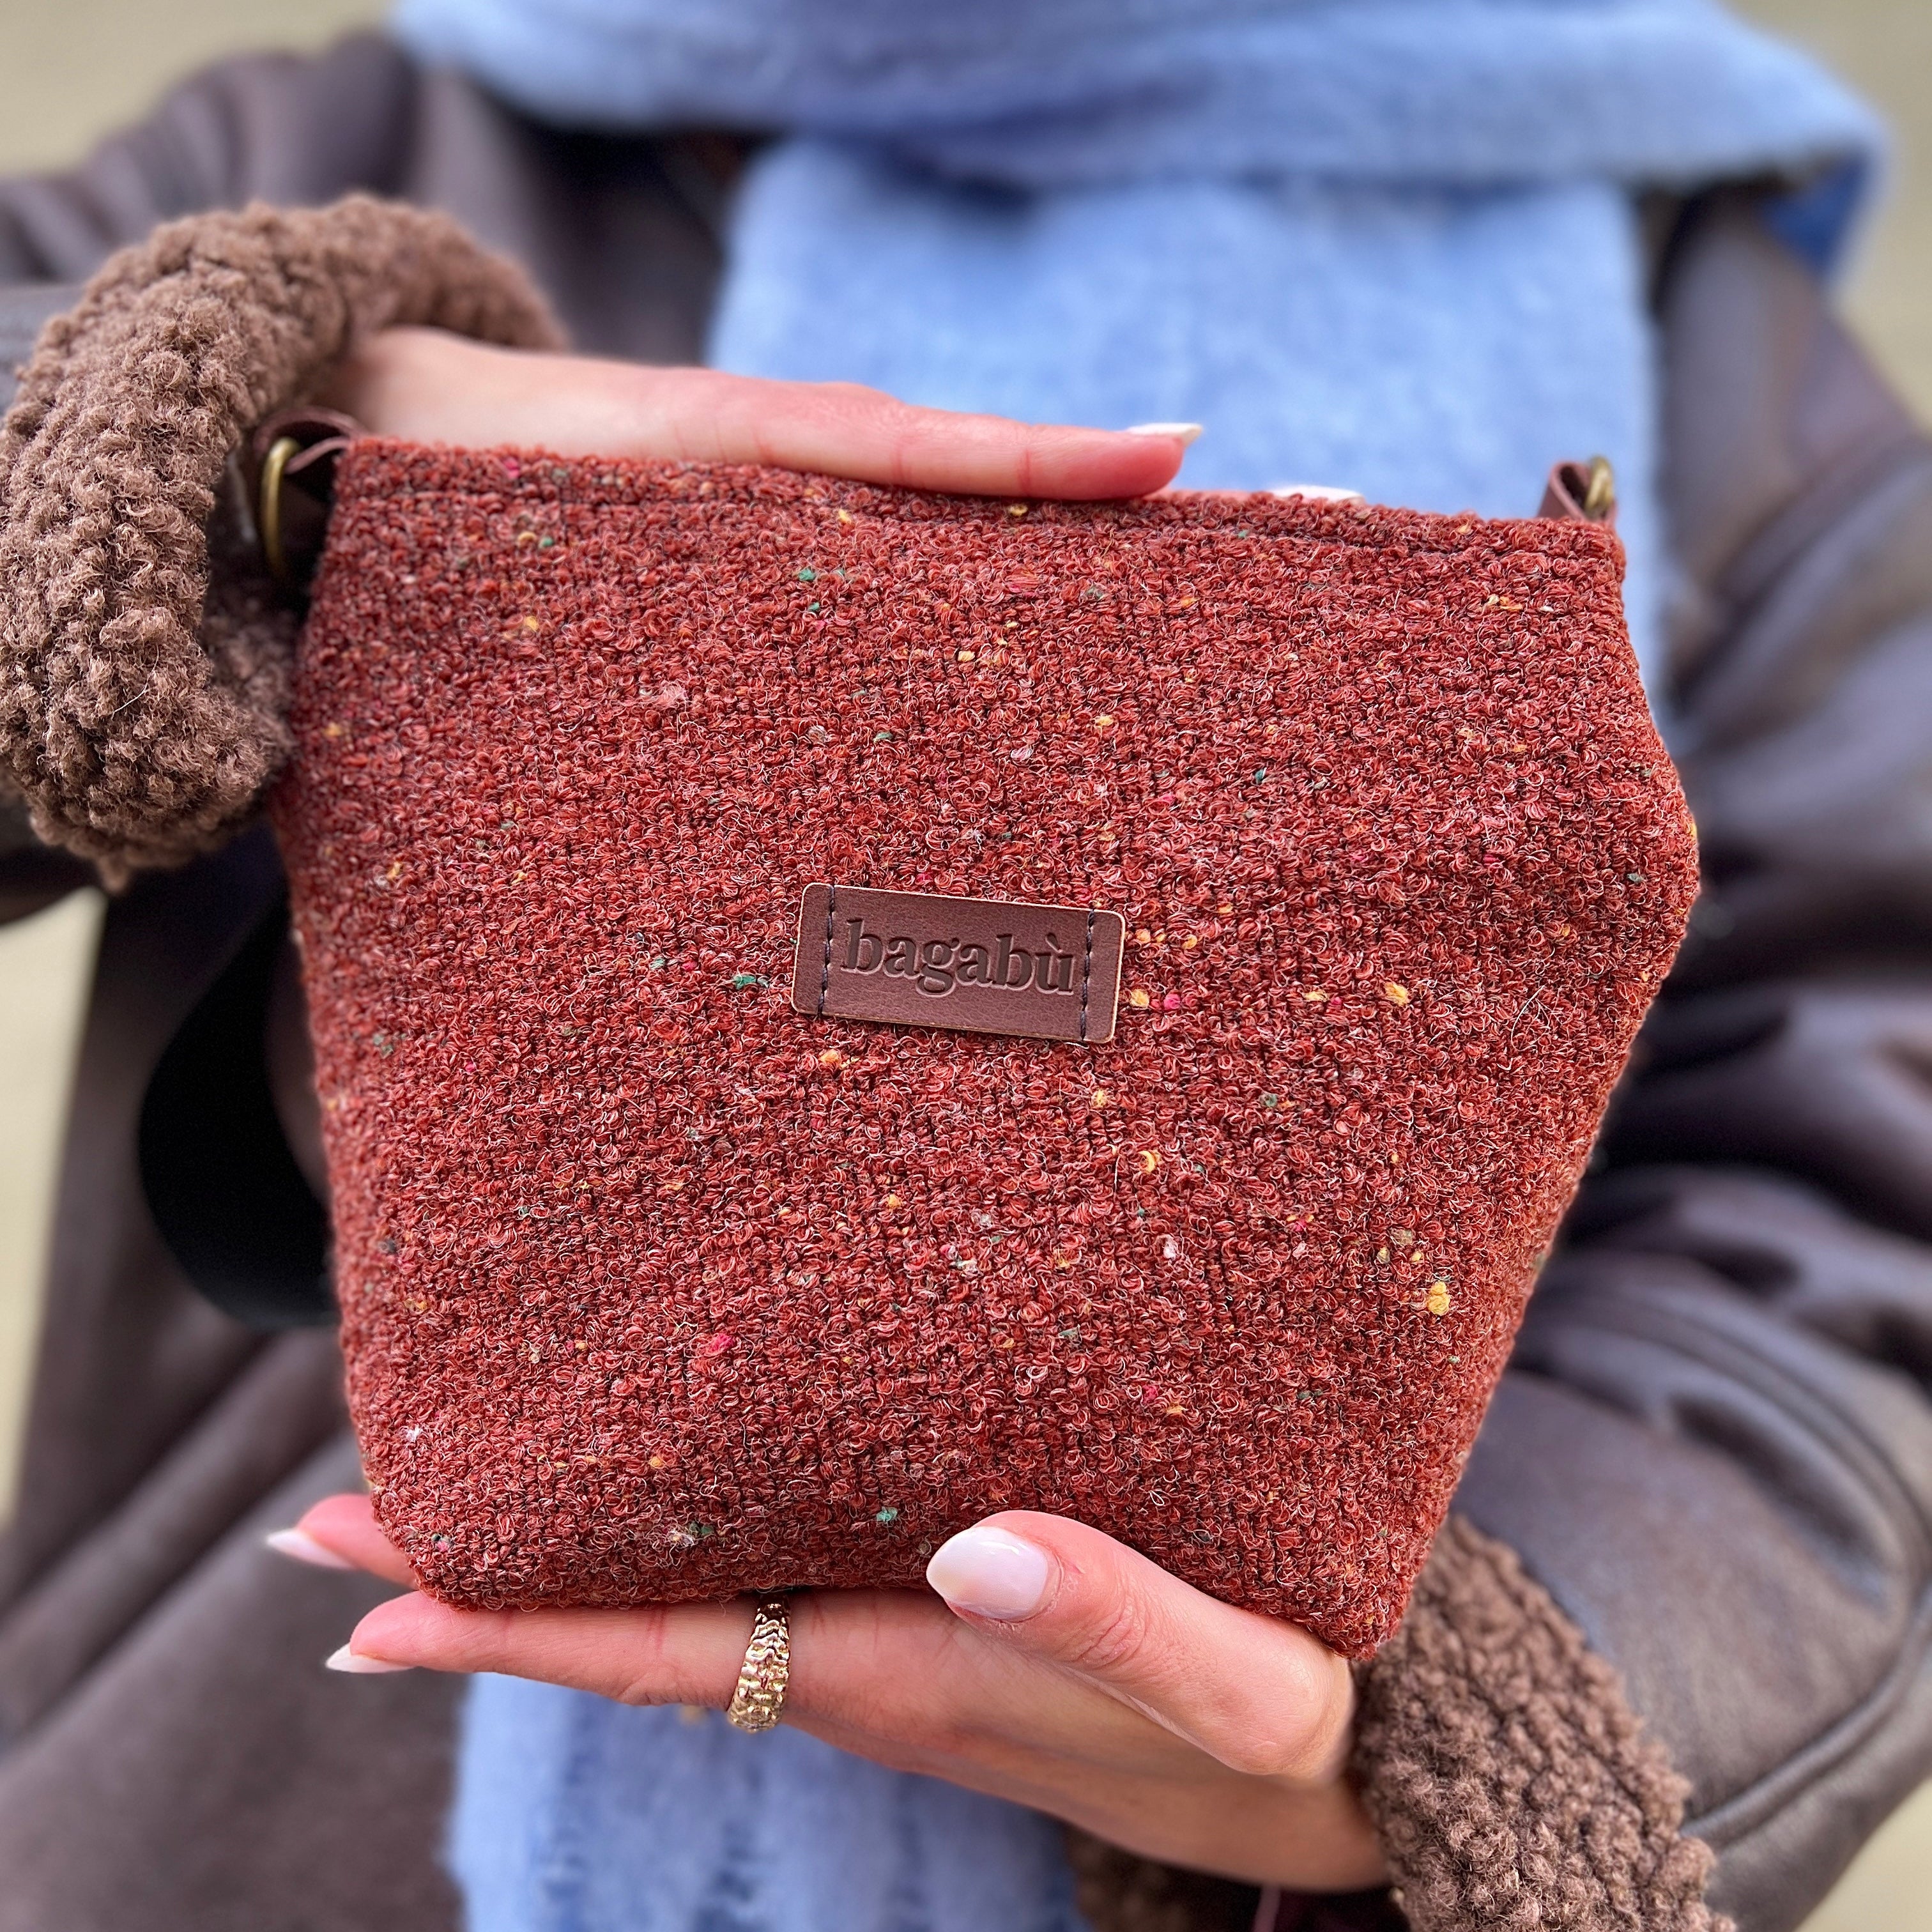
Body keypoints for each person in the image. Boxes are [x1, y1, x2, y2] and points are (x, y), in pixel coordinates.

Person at [1, 4, 1929, 1930]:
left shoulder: (1715, 330)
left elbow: (1857, 1210)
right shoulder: (380, 127)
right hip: (225, 1825)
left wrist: (1468, 1723)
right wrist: (175, 461)